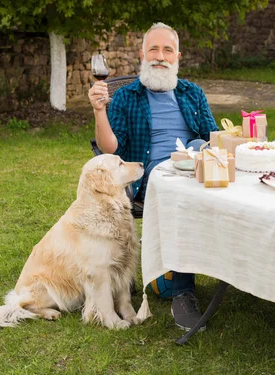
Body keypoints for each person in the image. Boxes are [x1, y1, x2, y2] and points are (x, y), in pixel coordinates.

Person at [88, 22, 218, 332]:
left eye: (167, 50)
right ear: (142, 54)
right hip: (151, 178)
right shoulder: (127, 98)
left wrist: (203, 148)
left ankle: (232, 270)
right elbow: (109, 148)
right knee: (180, 197)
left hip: (195, 173)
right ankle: (183, 292)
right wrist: (98, 112)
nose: (160, 56)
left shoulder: (192, 93)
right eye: (154, 49)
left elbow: (213, 137)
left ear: (177, 57)